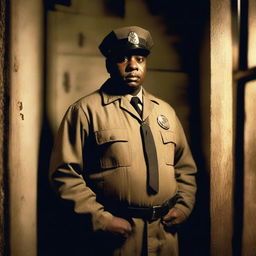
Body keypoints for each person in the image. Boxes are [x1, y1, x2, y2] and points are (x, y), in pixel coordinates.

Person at [49, 26, 197, 256]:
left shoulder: (165, 111)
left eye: (140, 58)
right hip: (117, 236)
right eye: (122, 59)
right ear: (109, 65)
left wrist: (184, 207)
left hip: (164, 235)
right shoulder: (85, 111)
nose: (133, 66)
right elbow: (64, 175)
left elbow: (185, 167)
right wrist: (101, 220)